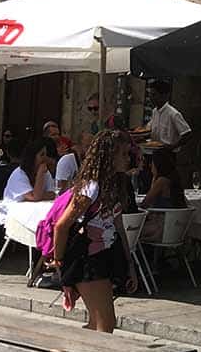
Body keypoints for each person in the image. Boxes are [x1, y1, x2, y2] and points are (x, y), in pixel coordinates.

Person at [54, 129, 140, 333]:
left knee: (97, 324)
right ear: (108, 156)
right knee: (106, 324)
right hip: (87, 260)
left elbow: (118, 227)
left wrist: (130, 265)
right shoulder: (91, 188)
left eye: (128, 154)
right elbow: (62, 225)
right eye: (123, 154)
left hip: (106, 256)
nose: (127, 159)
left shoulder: (118, 185)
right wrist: (58, 263)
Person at [3, 139, 59, 204]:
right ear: (32, 157)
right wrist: (40, 174)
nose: (45, 158)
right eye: (42, 155)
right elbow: (35, 196)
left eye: (46, 155)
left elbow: (52, 194)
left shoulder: (45, 172)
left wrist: (39, 194)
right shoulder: (19, 174)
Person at [144, 81, 190, 154]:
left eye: (154, 95)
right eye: (150, 95)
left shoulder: (173, 113)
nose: (151, 98)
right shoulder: (155, 111)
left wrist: (172, 147)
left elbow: (187, 134)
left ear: (164, 96)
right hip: (154, 150)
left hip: (168, 153)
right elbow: (150, 129)